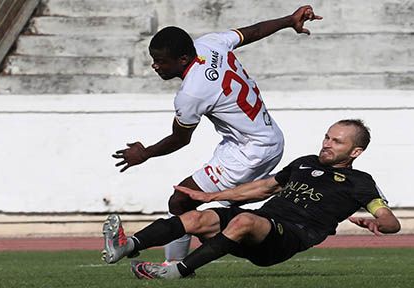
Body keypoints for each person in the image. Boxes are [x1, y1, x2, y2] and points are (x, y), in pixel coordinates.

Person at [111, 5, 323, 264]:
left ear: (183, 60)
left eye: (161, 61)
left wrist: (144, 153)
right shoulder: (209, 44)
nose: (155, 66)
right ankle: (185, 258)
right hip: (254, 138)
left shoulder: (191, 93)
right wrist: (289, 20)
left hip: (251, 149)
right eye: (153, 59)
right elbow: (254, 31)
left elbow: (180, 139)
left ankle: (186, 262)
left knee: (182, 203)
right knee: (194, 205)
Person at [103, 119, 401, 279]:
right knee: (196, 216)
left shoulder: (360, 183)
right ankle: (125, 245)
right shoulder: (305, 162)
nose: (326, 144)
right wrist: (212, 195)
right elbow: (263, 188)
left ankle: (177, 271)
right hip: (262, 222)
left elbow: (389, 220)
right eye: (326, 137)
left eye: (336, 141)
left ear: (355, 152)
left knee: (244, 219)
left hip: (286, 239)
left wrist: (377, 223)